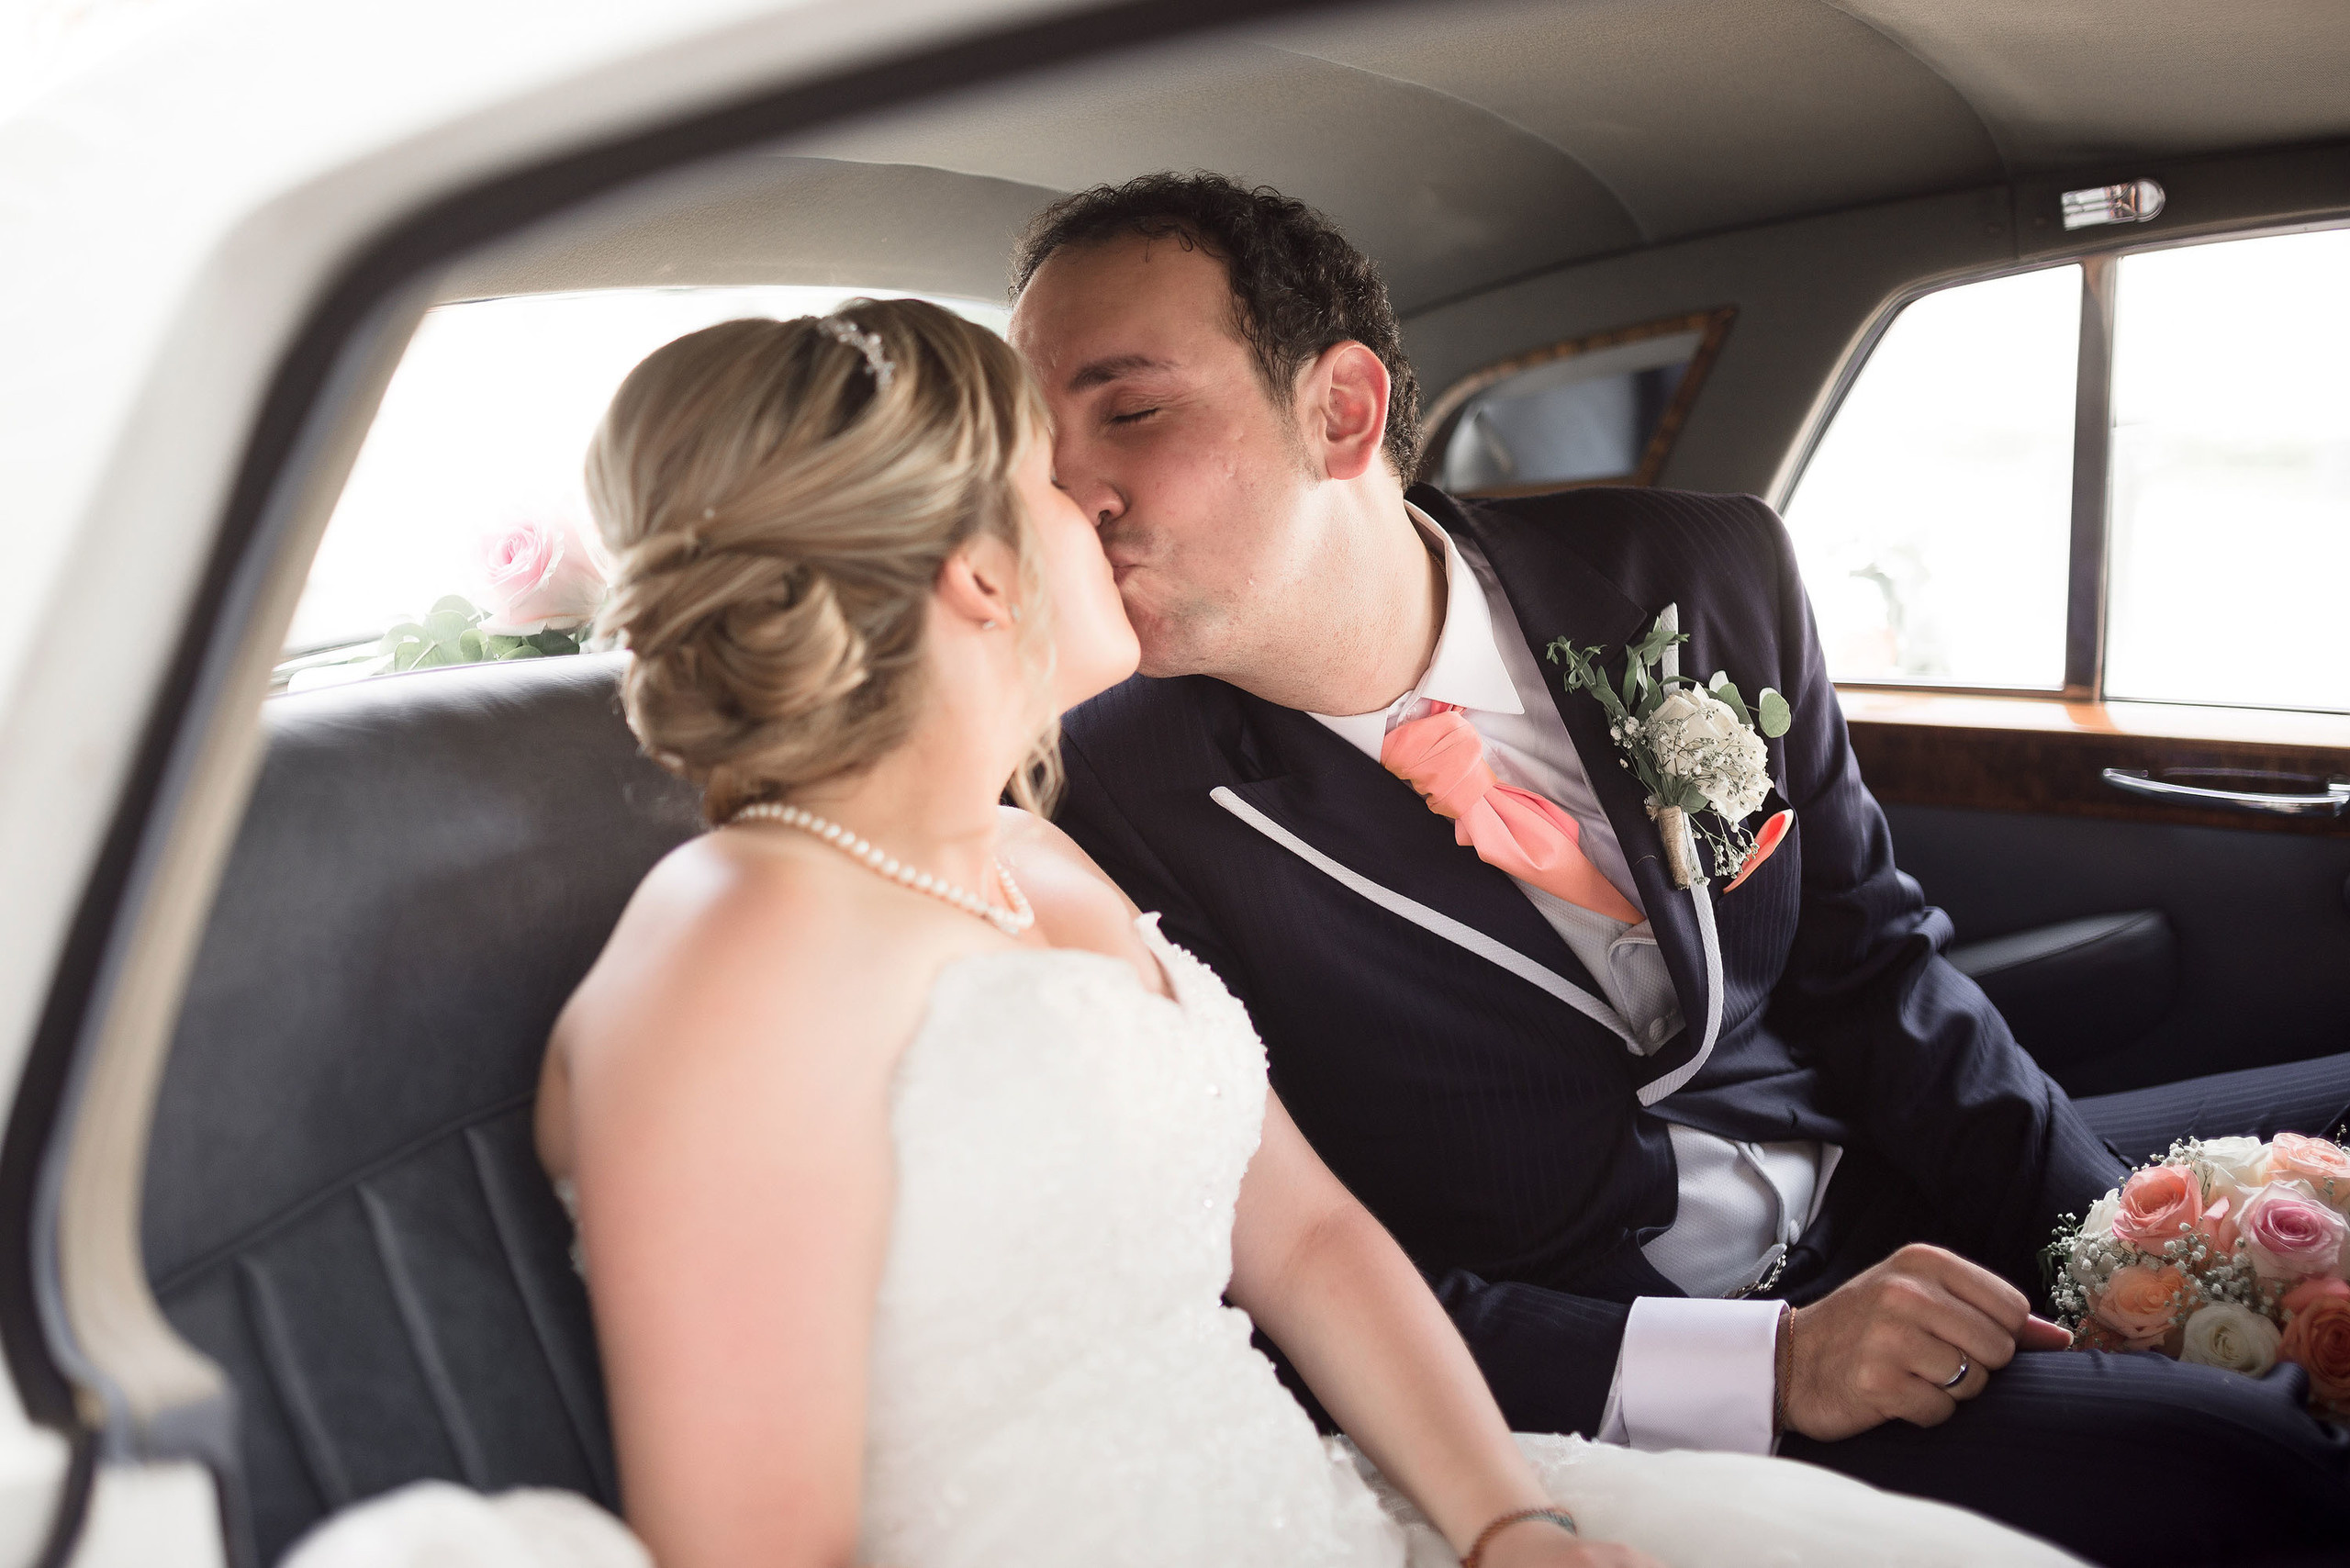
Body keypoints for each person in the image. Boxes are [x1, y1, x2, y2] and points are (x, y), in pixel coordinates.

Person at [532, 299, 2081, 1568]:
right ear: (981, 576)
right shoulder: (734, 957)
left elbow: (1312, 1240)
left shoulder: (1029, 861)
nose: (1105, 508)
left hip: (1327, 1502)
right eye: (1055, 482)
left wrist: (1506, 1525)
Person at [1014, 173, 2350, 1567]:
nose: (1073, 489)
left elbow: (1875, 968)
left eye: (1133, 409)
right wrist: (1765, 1364)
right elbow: (1294, 1264)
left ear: (1341, 411)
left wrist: (2102, 1261)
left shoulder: (1700, 575)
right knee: (2249, 1468)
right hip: (1621, 1359)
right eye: (1042, 442)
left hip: (1880, 1195)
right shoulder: (1096, 801)